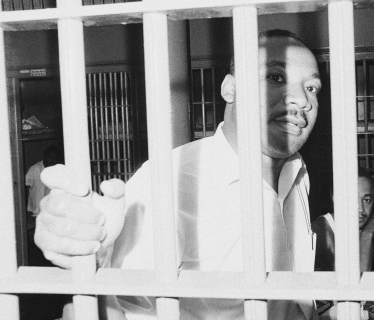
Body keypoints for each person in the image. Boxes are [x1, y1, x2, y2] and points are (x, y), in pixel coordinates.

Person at [35, 29, 322, 320]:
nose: (302, 100)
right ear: (230, 89)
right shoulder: (169, 183)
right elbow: (126, 311)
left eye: (312, 88)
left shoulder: (297, 172)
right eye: (276, 77)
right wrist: (84, 247)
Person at [312, 168, 374, 273]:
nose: (361, 209)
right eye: (353, 199)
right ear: (336, 199)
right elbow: (351, 283)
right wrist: (367, 234)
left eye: (367, 200)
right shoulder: (321, 230)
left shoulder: (372, 223)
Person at [25, 146, 63, 217]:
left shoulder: (58, 170)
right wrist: (26, 210)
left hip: (52, 213)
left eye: (55, 158)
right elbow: (23, 190)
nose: (53, 160)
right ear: (44, 157)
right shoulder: (34, 169)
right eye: (50, 157)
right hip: (36, 213)